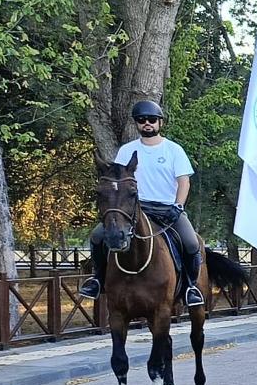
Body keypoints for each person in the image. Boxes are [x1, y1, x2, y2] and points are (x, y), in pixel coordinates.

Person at [78, 98, 205, 308]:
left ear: (160, 122)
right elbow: (117, 181)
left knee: (191, 243)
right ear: (137, 123)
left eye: (152, 119)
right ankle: (98, 280)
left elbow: (184, 182)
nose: (147, 123)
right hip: (135, 209)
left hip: (168, 209)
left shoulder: (173, 150)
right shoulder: (127, 150)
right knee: (98, 235)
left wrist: (178, 206)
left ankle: (191, 287)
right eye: (142, 120)